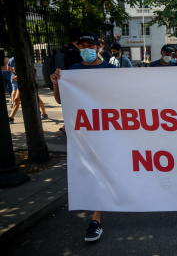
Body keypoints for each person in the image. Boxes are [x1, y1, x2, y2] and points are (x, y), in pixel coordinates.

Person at [50, 31, 117, 242]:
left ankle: (111, 205)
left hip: (111, 129)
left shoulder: (111, 70)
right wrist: (55, 83)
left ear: (98, 48)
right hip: (87, 131)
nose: (86, 49)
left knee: (110, 167)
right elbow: (62, 100)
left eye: (90, 46)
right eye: (82, 46)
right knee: (95, 169)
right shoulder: (74, 71)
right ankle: (96, 219)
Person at [7, 57, 48, 123]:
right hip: (22, 83)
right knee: (16, 99)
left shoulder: (26, 59)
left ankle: (44, 113)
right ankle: (11, 117)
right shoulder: (14, 60)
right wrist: (17, 75)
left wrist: (17, 75)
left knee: (37, 98)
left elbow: (29, 72)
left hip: (30, 82)